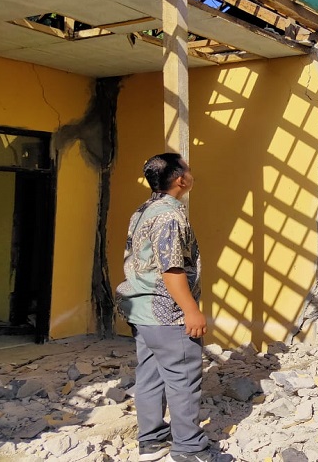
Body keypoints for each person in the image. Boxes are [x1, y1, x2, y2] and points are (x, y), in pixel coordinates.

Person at [116, 153, 212, 462]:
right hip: (167, 313)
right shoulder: (171, 214)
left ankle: (152, 443)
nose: (190, 172)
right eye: (187, 167)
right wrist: (191, 310)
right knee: (183, 380)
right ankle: (188, 450)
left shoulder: (143, 210)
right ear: (180, 179)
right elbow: (171, 269)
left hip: (142, 311)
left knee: (150, 376)